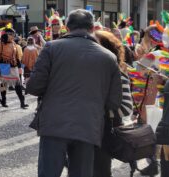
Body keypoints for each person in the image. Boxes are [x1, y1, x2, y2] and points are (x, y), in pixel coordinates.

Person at [26, 9, 122, 177]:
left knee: (48, 173)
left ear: (67, 28)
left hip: (54, 123)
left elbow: (34, 87)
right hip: (88, 125)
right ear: (93, 28)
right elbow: (114, 101)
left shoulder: (51, 48)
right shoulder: (108, 57)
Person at [92, 30, 134, 177]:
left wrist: (100, 112)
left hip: (104, 135)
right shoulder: (88, 73)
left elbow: (127, 108)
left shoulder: (118, 74)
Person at [0, 28, 28, 109]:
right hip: (4, 67)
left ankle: (22, 102)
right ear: (7, 35)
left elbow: (17, 58)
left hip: (14, 67)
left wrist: (20, 67)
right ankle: (3, 100)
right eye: (12, 34)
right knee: (3, 85)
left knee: (18, 85)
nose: (13, 36)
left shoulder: (14, 45)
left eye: (13, 35)